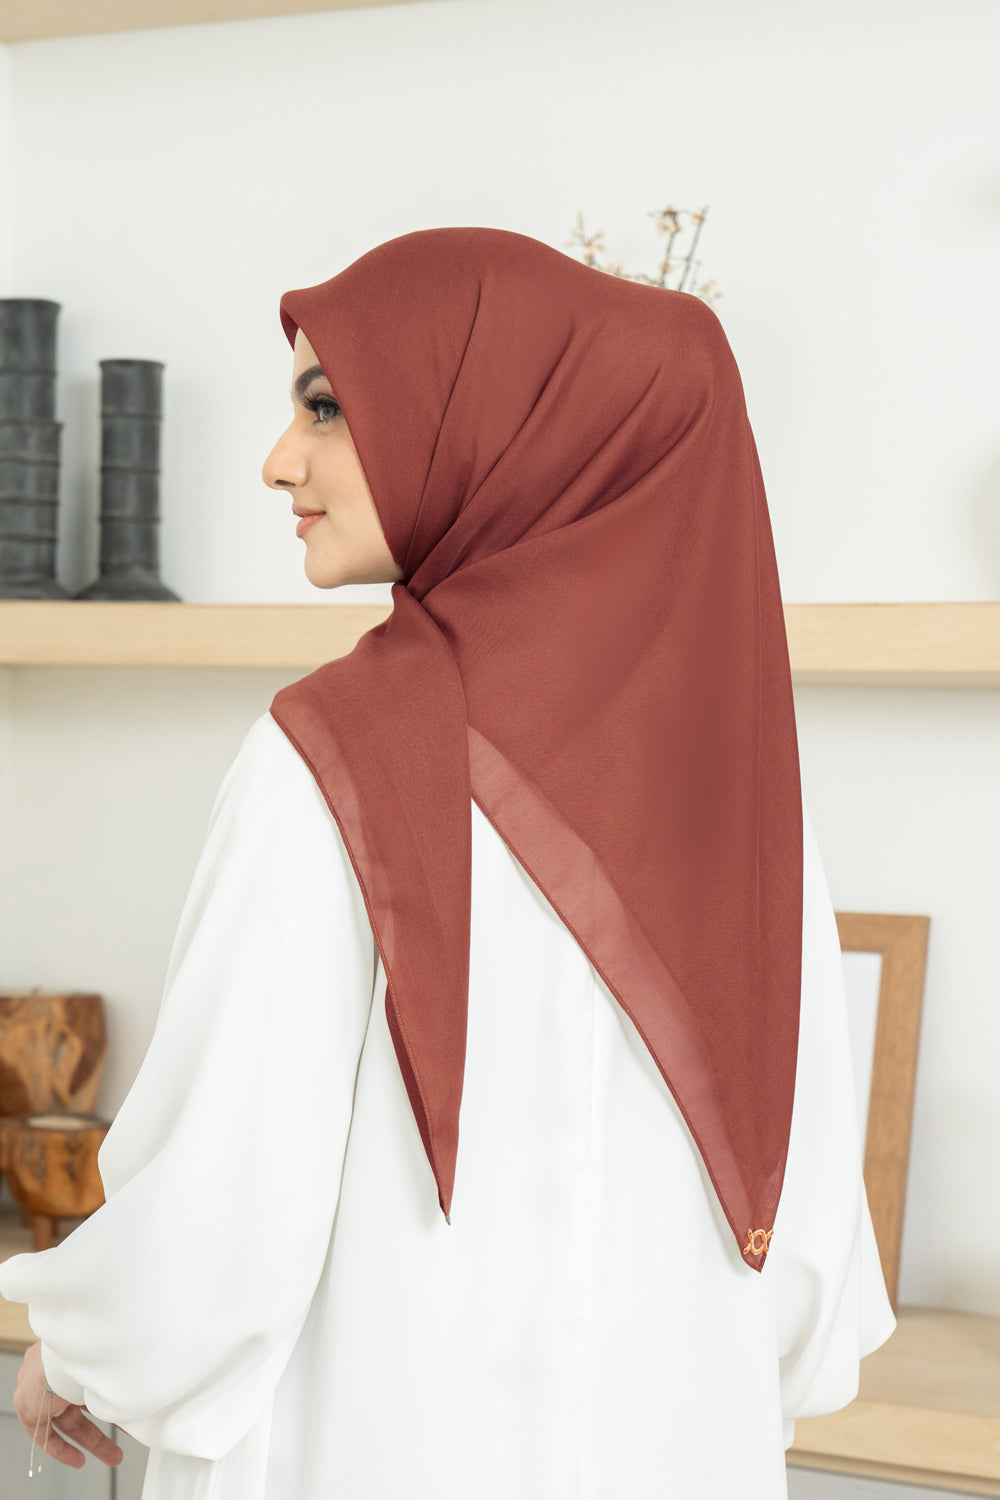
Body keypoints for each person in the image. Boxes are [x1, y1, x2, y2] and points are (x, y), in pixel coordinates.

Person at [0, 227, 896, 1499]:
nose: (278, 460)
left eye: (325, 406)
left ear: (489, 423)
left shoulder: (331, 759)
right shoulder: (744, 804)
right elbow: (801, 1287)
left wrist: (79, 1350)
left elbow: (215, 1241)